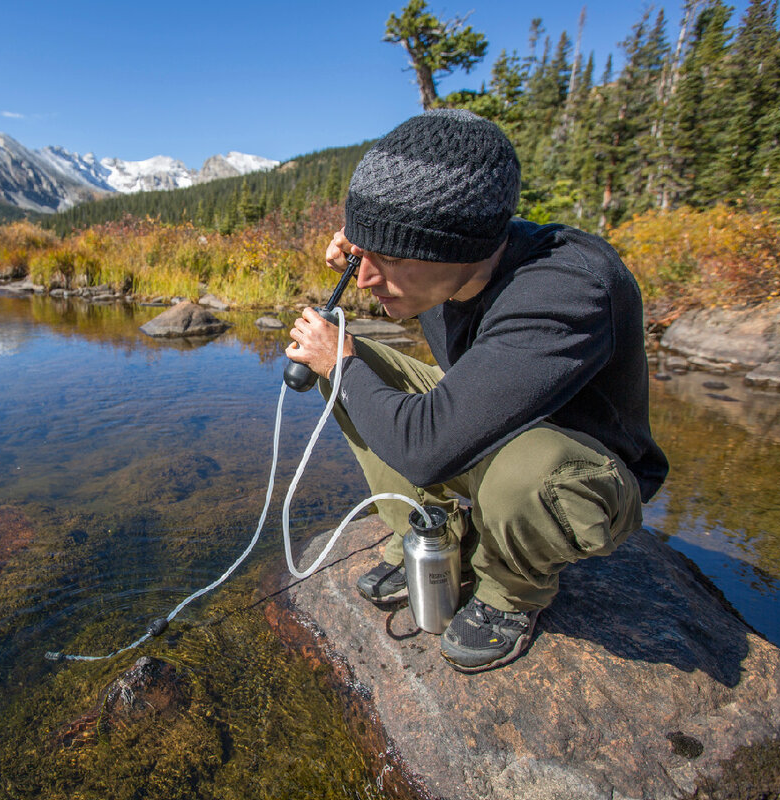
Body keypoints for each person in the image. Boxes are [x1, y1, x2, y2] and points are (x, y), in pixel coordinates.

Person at [285, 109, 668, 673]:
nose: (364, 281)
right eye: (364, 255)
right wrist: (373, 248)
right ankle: (434, 532)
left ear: (457, 249)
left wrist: (337, 355)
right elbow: (403, 265)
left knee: (519, 471)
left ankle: (511, 591)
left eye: (388, 260)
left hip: (578, 468)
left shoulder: (568, 289)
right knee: (346, 369)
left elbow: (426, 448)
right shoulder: (451, 260)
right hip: (497, 423)